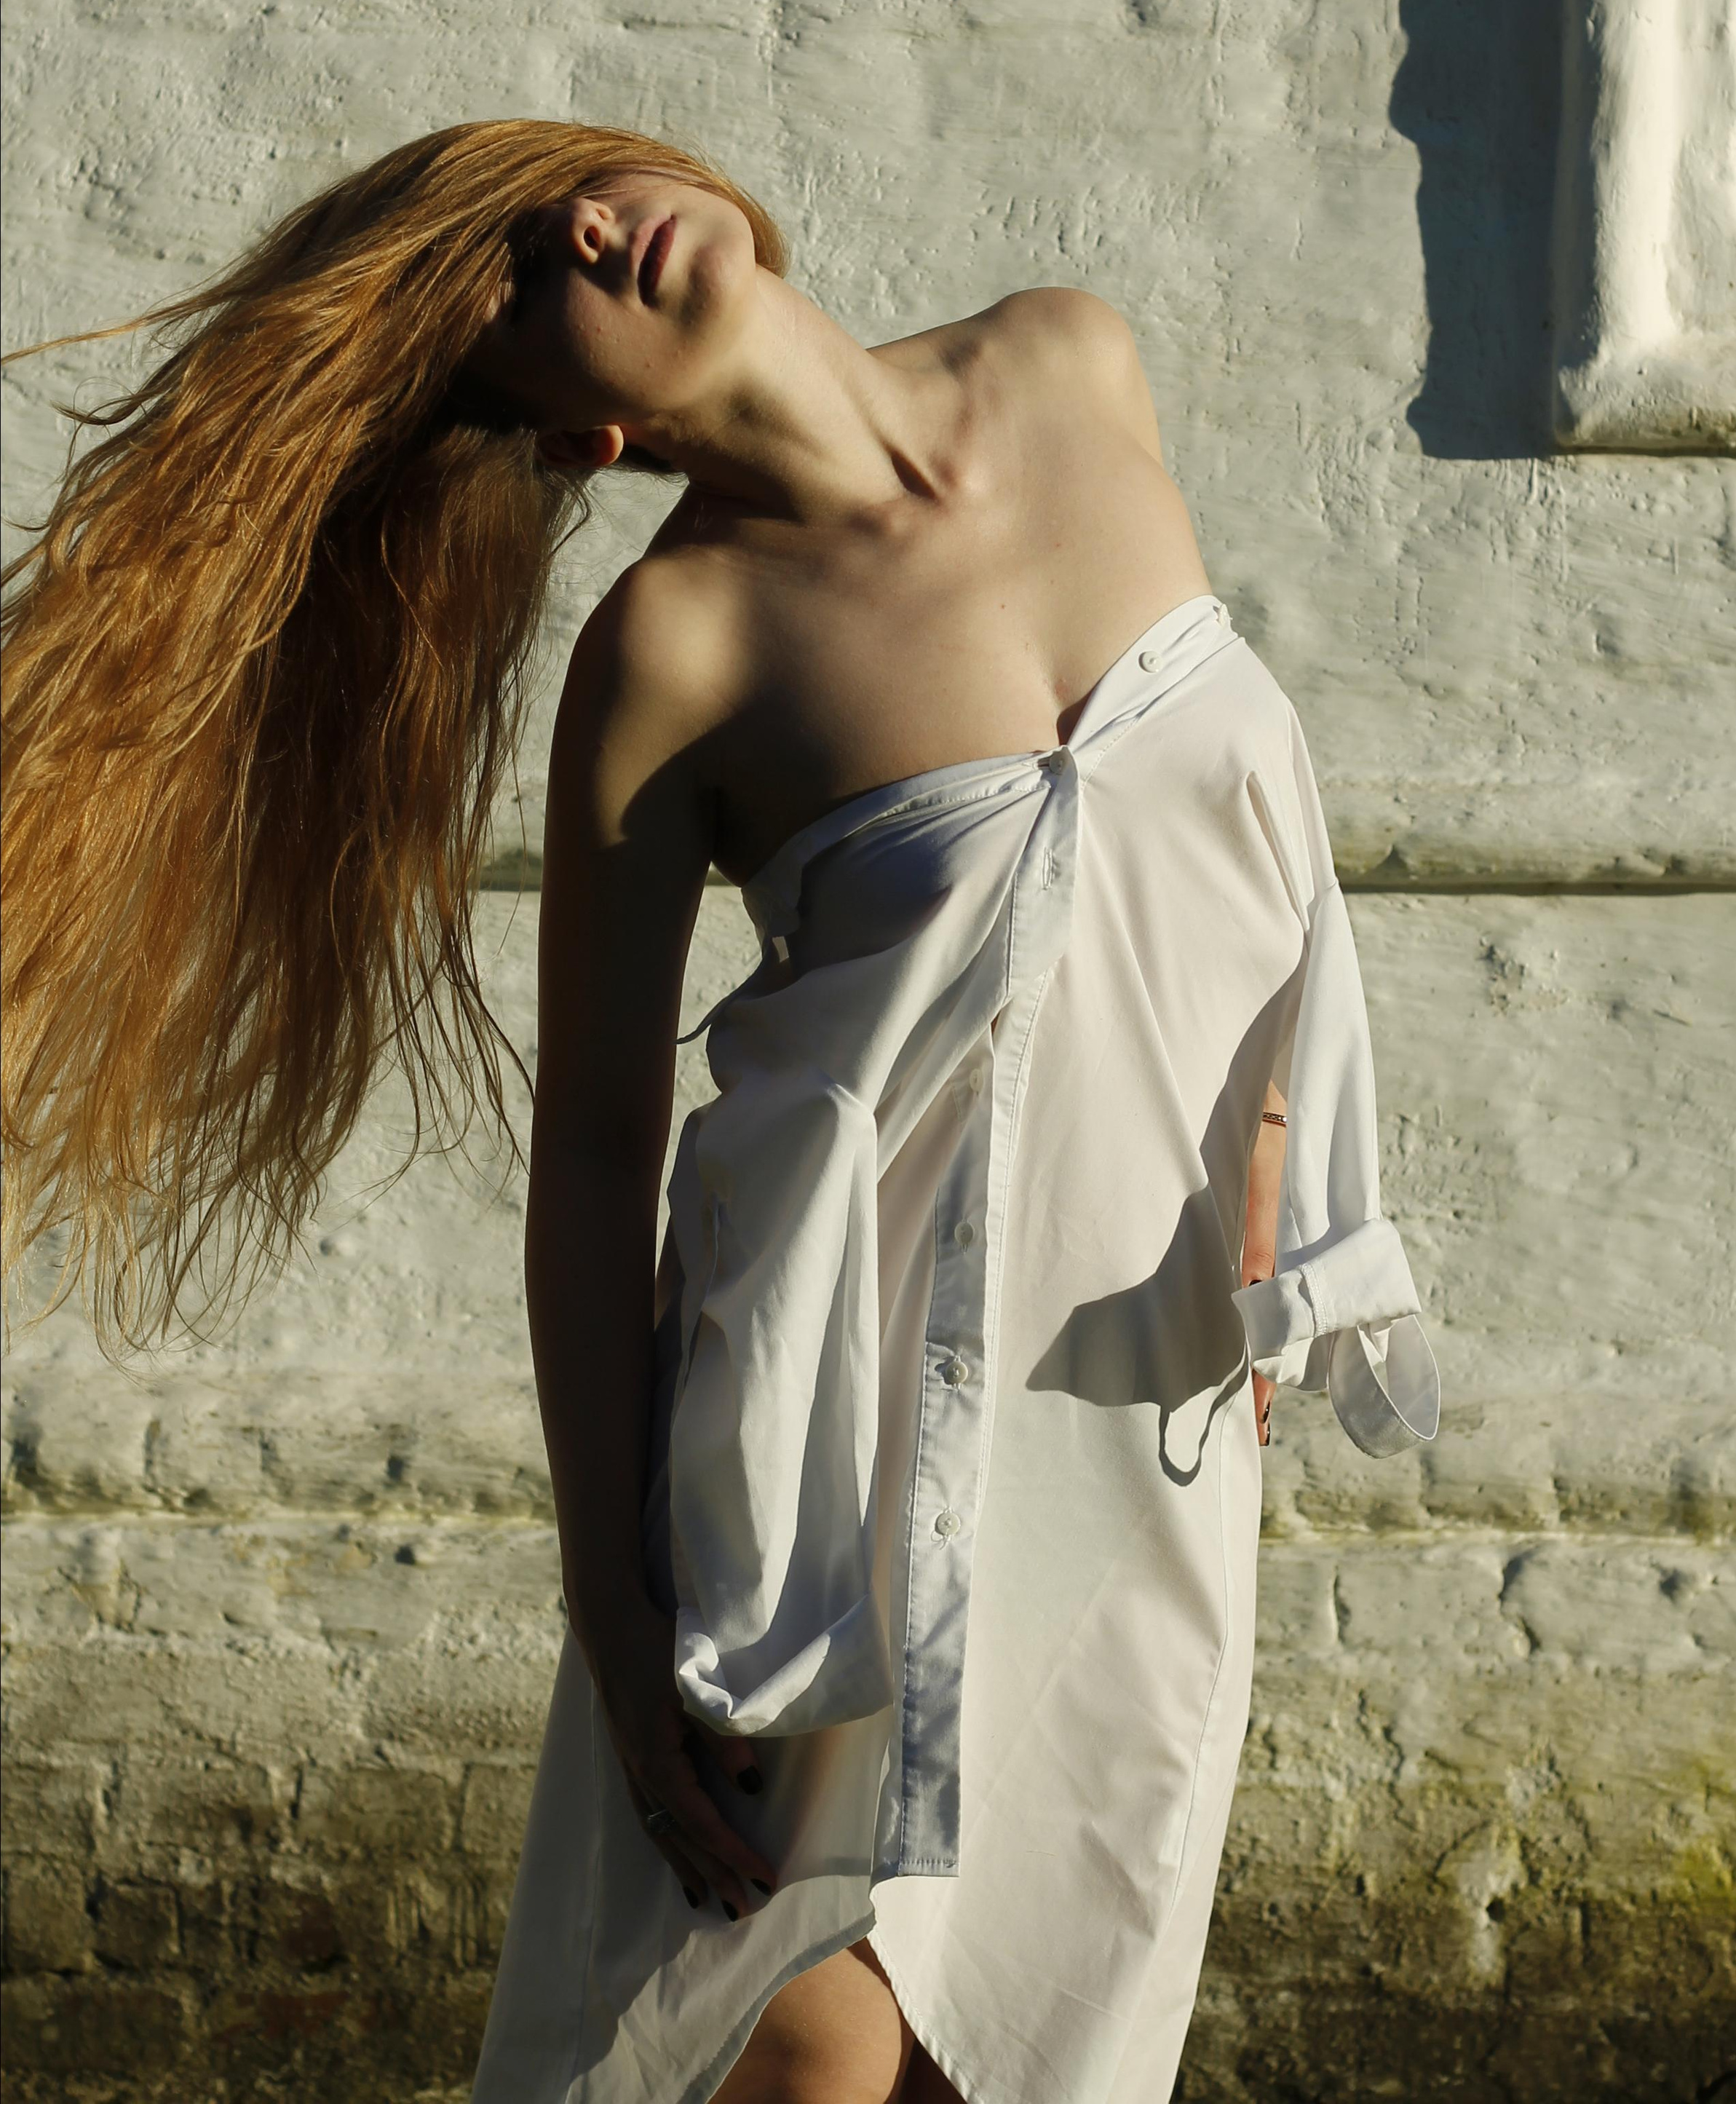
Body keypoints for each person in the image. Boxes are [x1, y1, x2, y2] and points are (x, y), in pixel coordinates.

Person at [1, 119, 1438, 2104]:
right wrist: (617, 1605)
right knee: (793, 2058)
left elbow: (1226, 857)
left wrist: (1262, 1178)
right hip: (835, 1466)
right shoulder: (674, 654)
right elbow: (592, 1160)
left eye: (553, 202)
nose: (585, 229)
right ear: (563, 435)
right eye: (521, 289)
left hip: (1131, 1411)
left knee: (1041, 2043)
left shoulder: (1074, 361)